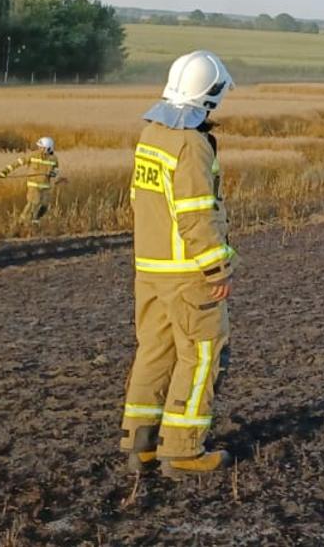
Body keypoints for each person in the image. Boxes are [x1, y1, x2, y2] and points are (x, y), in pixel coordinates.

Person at [121, 50, 237, 477]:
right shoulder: (190, 143)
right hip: (187, 273)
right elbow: (196, 214)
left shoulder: (151, 135)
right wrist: (216, 268)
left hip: (150, 268)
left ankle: (141, 444)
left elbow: (139, 202)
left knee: (153, 352)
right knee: (202, 354)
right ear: (210, 94)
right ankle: (184, 450)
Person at [0, 137, 61, 224]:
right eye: (39, 147)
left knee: (44, 205)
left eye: (42, 148)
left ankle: (35, 221)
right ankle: (21, 221)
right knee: (33, 202)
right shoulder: (33, 155)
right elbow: (19, 162)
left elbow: (56, 170)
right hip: (33, 184)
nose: (40, 149)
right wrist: (5, 171)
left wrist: (54, 174)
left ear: (49, 148)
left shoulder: (54, 159)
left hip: (45, 186)